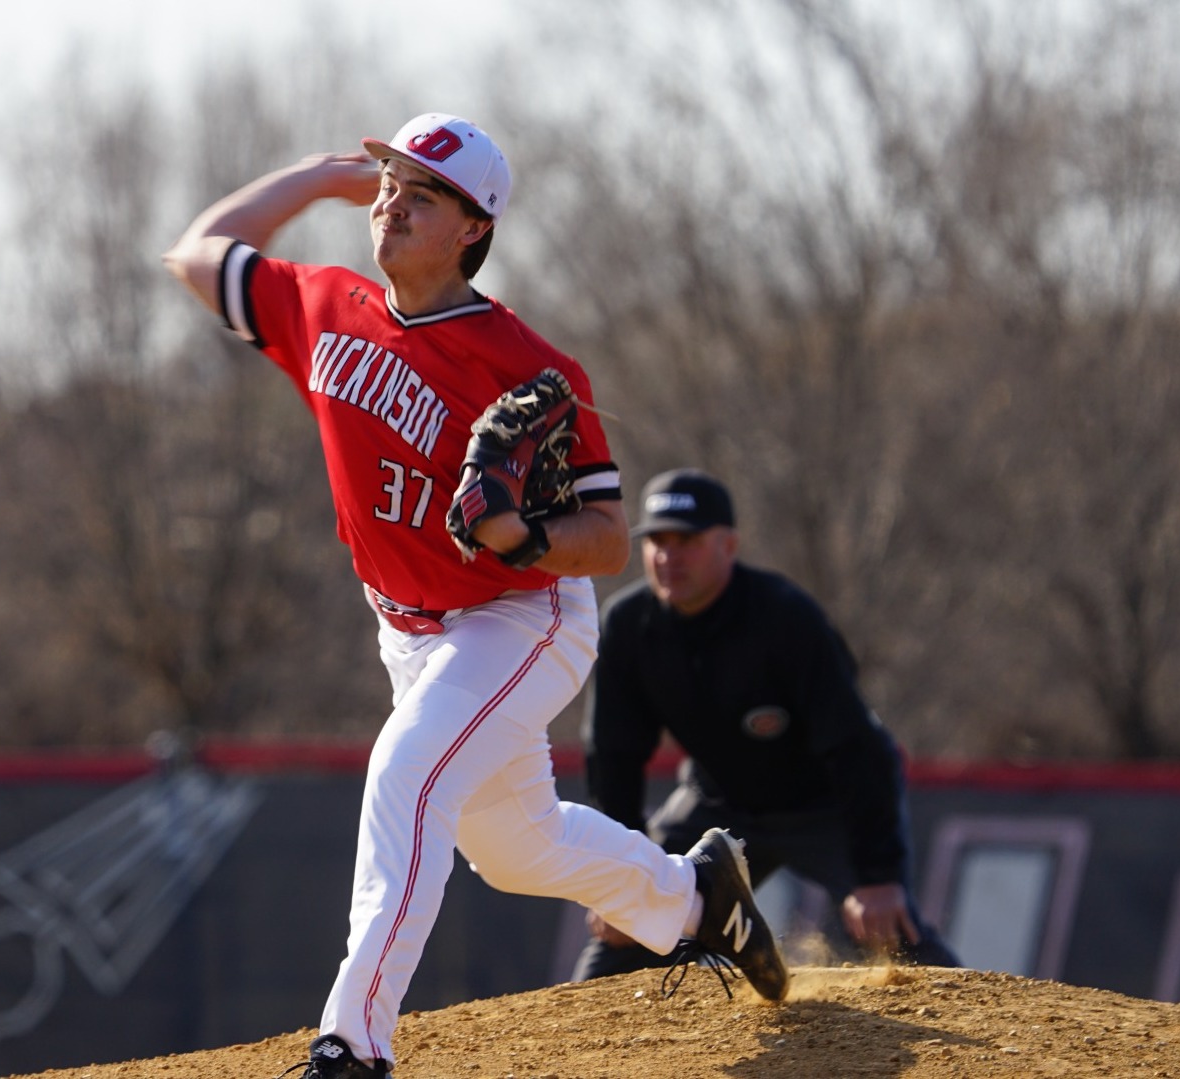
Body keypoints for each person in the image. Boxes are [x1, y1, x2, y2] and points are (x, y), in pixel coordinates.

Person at [162, 114, 786, 1079]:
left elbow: (607, 539)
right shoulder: (324, 306)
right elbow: (197, 253)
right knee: (518, 848)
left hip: (521, 618)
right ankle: (699, 896)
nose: (392, 203)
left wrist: (525, 536)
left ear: (472, 227)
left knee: (404, 774)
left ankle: (353, 1044)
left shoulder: (529, 366)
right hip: (408, 633)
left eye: (421, 194)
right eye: (389, 184)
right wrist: (318, 177)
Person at [572, 468, 960, 982]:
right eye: (657, 541)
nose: (668, 557)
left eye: (686, 541)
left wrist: (879, 875)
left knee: (895, 939)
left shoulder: (783, 617)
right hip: (717, 804)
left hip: (823, 808)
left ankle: (989, 1023)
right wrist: (622, 881)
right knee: (618, 943)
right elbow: (613, 757)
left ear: (728, 545)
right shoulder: (628, 624)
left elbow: (857, 747)